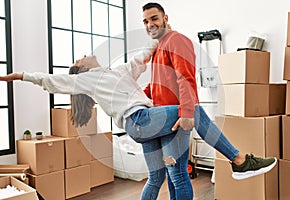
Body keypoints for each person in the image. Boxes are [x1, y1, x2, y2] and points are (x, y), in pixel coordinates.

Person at [0, 43, 276, 199]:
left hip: (145, 125)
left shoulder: (117, 72)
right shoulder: (87, 79)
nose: (85, 54)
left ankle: (239, 162)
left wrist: (159, 39)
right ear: (82, 66)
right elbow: (53, 81)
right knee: (195, 112)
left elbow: (140, 58)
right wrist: (23, 75)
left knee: (158, 177)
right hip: (140, 121)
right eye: (80, 57)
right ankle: (239, 161)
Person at [139, 2, 276, 200]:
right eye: (145, 21)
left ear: (165, 18)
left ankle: (239, 160)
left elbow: (185, 77)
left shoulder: (176, 40)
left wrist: (186, 113)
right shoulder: (158, 48)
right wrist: (134, 97)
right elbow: (157, 84)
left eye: (153, 19)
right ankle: (239, 160)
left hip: (176, 118)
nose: (149, 24)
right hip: (163, 119)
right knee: (172, 174)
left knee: (177, 174)